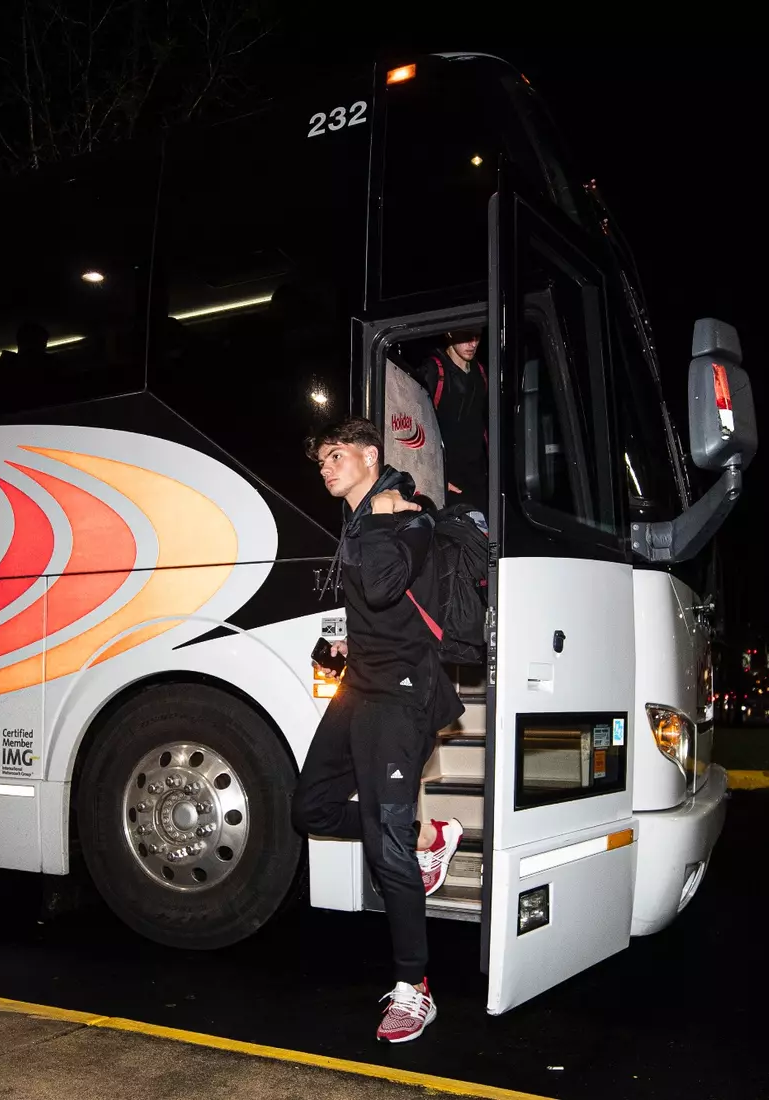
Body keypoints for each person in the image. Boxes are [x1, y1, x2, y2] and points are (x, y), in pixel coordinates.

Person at [291, 417, 466, 1044]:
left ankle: (414, 987)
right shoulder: (367, 514)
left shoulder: (405, 513)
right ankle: (418, 845)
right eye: (320, 462)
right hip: (360, 688)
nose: (326, 469)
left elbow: (385, 586)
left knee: (384, 845)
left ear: (370, 455)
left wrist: (383, 516)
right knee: (308, 806)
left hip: (401, 699)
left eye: (336, 456)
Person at [410, 330, 488, 506]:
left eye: (477, 336)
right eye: (466, 336)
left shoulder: (481, 371)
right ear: (450, 333)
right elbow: (413, 428)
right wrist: (433, 476)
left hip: (478, 475)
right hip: (446, 477)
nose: (473, 344)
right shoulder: (433, 370)